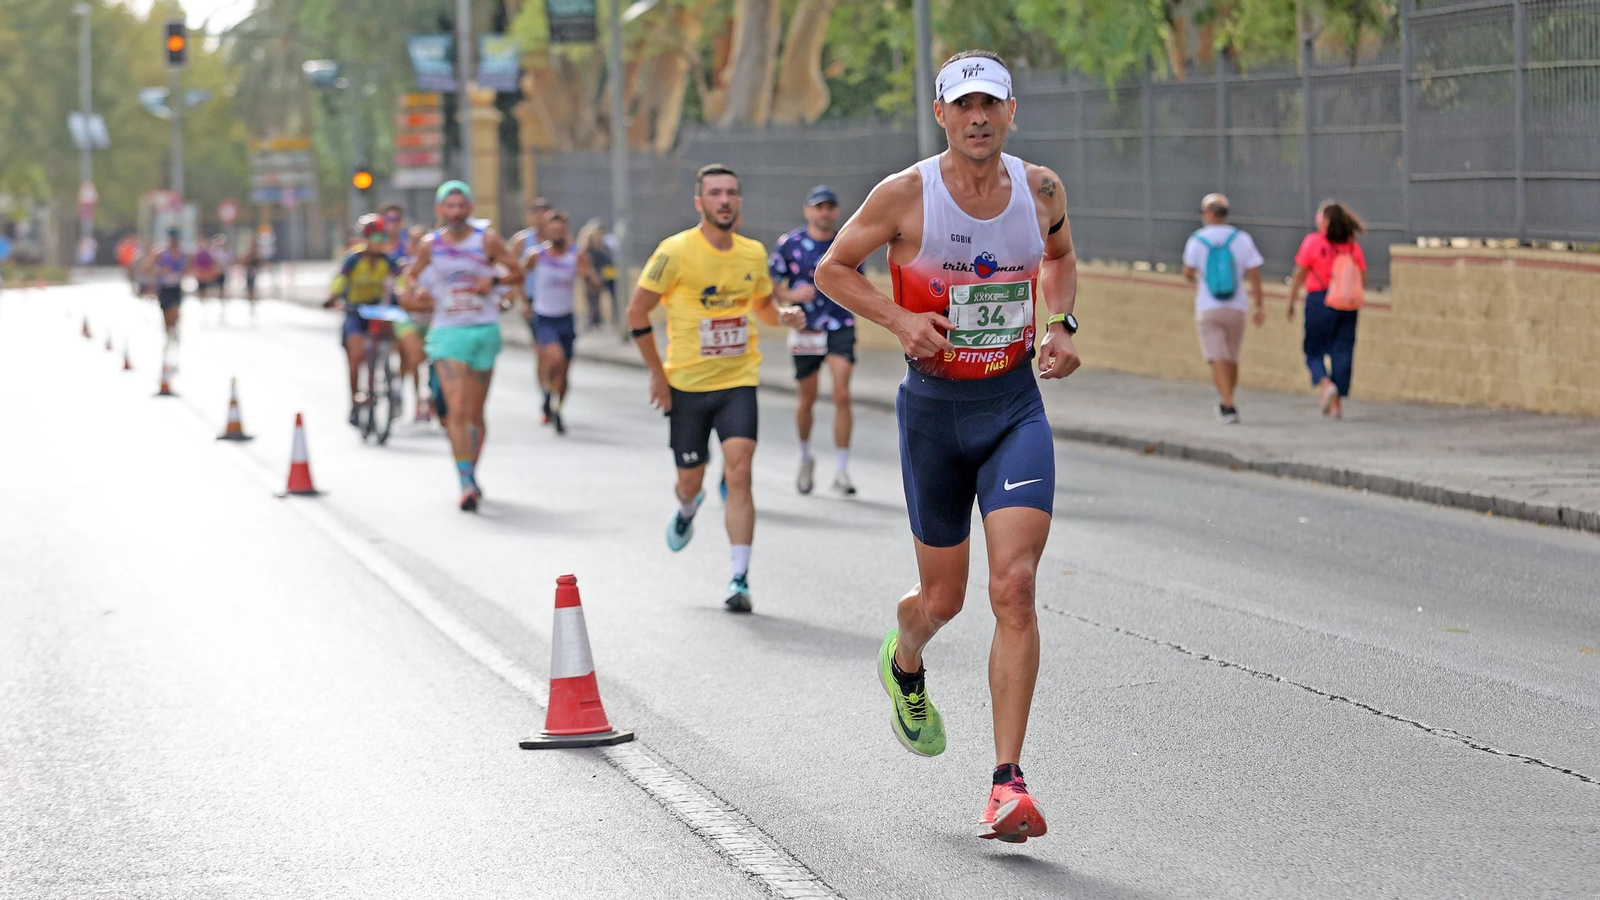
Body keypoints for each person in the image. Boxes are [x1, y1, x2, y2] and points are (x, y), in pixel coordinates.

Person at [815, 50, 1081, 844]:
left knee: (1016, 587)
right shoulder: (905, 195)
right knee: (943, 602)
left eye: (989, 106)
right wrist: (899, 320)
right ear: (940, 114)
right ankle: (905, 659)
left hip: (1011, 407)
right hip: (933, 412)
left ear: (1010, 113)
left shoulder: (1041, 191)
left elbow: (1061, 262)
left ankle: (1006, 784)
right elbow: (835, 269)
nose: (977, 118)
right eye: (962, 105)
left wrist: (1062, 325)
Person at [627, 164, 806, 612]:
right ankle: (689, 507)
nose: (724, 200)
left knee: (740, 470)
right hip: (685, 384)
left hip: (737, 379)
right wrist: (657, 373)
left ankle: (739, 578)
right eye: (715, 193)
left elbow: (762, 306)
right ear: (700, 203)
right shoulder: (674, 252)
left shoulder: (751, 253)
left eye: (731, 192)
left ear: (739, 201)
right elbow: (636, 313)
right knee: (689, 480)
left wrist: (782, 315)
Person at [402, 181, 524, 512]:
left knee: (474, 413)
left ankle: (471, 470)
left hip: (483, 331)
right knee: (455, 409)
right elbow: (412, 277)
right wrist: (420, 292)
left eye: (461, 206)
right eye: (449, 207)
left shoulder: (486, 240)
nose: (455, 212)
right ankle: (465, 481)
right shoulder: (431, 245)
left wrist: (494, 281)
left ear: (470, 208)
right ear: (439, 210)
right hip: (447, 332)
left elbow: (517, 272)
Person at [771, 185, 861, 496]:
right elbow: (770, 285)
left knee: (841, 394)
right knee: (806, 398)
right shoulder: (790, 244)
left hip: (839, 323)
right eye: (818, 207)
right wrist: (792, 295)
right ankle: (805, 457)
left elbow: (858, 280)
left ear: (835, 212)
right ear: (807, 210)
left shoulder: (847, 241)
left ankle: (842, 469)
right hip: (805, 326)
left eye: (829, 207)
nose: (824, 212)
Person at [1181, 192, 1265, 424]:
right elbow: (1255, 273)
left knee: (1216, 357)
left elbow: (1187, 273)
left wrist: (1200, 277)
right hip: (1237, 307)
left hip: (1209, 307)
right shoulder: (1242, 239)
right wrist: (1259, 304)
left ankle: (1227, 404)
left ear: (1208, 213)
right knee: (1231, 356)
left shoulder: (1197, 239)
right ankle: (1229, 399)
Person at [1287, 200, 1368, 419]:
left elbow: (1300, 274)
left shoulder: (1313, 242)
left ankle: (1325, 384)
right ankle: (1337, 403)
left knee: (1313, 350)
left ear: (1327, 221)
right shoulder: (1352, 247)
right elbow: (1363, 278)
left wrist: (1292, 301)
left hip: (1319, 300)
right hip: (1347, 304)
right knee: (1342, 350)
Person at [520, 210, 598, 435]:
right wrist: (524, 301)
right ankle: (546, 391)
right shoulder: (537, 255)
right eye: (552, 229)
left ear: (566, 231)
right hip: (544, 317)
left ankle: (557, 408)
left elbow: (591, 281)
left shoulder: (577, 255)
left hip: (566, 317)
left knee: (564, 371)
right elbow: (519, 276)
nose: (556, 233)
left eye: (560, 229)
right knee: (554, 357)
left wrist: (591, 277)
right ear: (545, 231)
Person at [325, 215, 401, 427]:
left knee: (398, 343)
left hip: (379, 312)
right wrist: (333, 296)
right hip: (355, 311)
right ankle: (355, 402)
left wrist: (407, 295)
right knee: (355, 356)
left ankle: (393, 386)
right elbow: (340, 279)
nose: (377, 242)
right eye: (372, 237)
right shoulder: (353, 259)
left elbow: (403, 279)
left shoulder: (389, 261)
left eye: (381, 237)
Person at [577, 218, 618, 331]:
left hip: (605, 275)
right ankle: (594, 321)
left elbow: (609, 262)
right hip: (592, 276)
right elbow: (585, 265)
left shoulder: (603, 247)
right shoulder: (586, 250)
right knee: (592, 300)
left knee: (607, 298)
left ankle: (613, 319)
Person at [151, 230, 189, 347]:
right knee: (166, 314)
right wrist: (160, 270)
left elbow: (188, 268)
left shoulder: (182, 253)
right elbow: (149, 268)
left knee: (175, 311)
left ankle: (175, 330)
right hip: (164, 287)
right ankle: (168, 333)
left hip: (176, 287)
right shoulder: (160, 253)